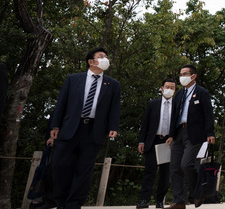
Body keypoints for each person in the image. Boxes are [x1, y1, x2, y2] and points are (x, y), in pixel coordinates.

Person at [49, 47, 121, 209]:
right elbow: (61, 103)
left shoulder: (113, 84)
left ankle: (74, 204)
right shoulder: (73, 79)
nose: (105, 59)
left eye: (106, 56)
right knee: (61, 166)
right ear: (91, 61)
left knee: (84, 170)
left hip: (94, 131)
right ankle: (60, 202)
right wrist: (55, 125)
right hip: (70, 129)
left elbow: (115, 108)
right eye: (101, 56)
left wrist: (113, 126)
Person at [167, 64, 216, 209]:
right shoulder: (179, 95)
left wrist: (210, 133)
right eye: (180, 74)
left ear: (193, 76)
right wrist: (171, 134)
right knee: (175, 167)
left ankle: (198, 192)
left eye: (185, 74)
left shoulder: (202, 93)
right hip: (178, 133)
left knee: (186, 164)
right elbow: (174, 116)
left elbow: (208, 114)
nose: (182, 77)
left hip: (195, 134)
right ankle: (179, 201)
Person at [137, 79, 177, 209]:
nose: (169, 89)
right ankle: (144, 200)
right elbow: (145, 124)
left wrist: (174, 137)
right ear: (161, 88)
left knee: (165, 173)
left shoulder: (178, 105)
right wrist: (141, 141)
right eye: (167, 87)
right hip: (152, 141)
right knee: (150, 171)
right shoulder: (152, 104)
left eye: (172, 87)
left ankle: (160, 201)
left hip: (169, 142)